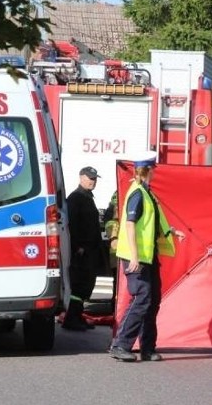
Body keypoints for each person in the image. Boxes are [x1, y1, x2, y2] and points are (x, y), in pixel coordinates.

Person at [109, 152, 184, 362]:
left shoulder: (147, 193)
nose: (155, 172)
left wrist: (170, 231)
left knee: (152, 301)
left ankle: (148, 348)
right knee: (142, 298)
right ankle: (120, 344)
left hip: (148, 256)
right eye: (154, 168)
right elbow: (131, 225)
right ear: (149, 170)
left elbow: (151, 223)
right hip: (138, 257)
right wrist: (134, 256)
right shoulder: (138, 194)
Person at [62, 166, 104, 331]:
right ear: (81, 177)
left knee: (87, 285)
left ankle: (77, 316)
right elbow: (70, 225)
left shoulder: (87, 197)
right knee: (78, 285)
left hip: (90, 250)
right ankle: (71, 318)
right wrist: (77, 247)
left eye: (94, 179)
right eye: (89, 178)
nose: (92, 181)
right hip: (80, 252)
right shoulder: (75, 198)